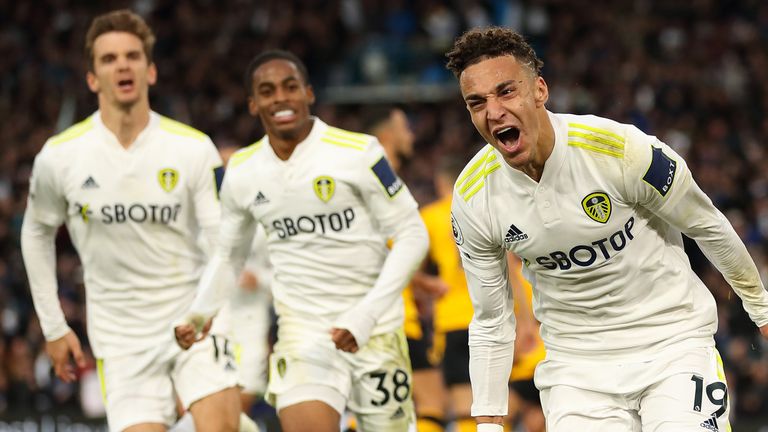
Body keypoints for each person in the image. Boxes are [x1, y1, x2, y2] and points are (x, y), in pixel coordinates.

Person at [444, 26, 768, 432]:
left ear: (539, 90)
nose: (493, 112)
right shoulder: (474, 196)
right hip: (576, 372)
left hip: (672, 345)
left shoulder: (622, 151)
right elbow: (492, 317)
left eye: (506, 92)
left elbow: (707, 225)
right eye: (477, 103)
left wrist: (761, 308)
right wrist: (489, 421)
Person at [175, 49, 429, 432]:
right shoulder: (243, 170)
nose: (280, 97)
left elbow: (412, 235)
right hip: (303, 333)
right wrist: (200, 312)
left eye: (290, 86)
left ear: (308, 93)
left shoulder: (357, 153)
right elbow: (229, 255)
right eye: (267, 90)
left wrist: (366, 314)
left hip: (375, 330)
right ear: (252, 103)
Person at [20, 9, 243, 432]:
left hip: (194, 318)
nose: (122, 64)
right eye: (108, 59)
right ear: (92, 79)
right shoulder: (60, 156)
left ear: (151, 71)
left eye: (133, 56)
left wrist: (206, 308)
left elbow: (224, 240)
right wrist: (53, 326)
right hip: (121, 339)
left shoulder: (193, 149)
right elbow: (35, 232)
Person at [364, 106, 449, 432]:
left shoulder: (386, 182)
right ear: (386, 135)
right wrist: (422, 283)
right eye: (404, 128)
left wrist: (420, 283)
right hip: (389, 317)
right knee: (424, 403)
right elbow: (378, 251)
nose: (411, 135)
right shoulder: (376, 180)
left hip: (394, 315)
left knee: (397, 405)